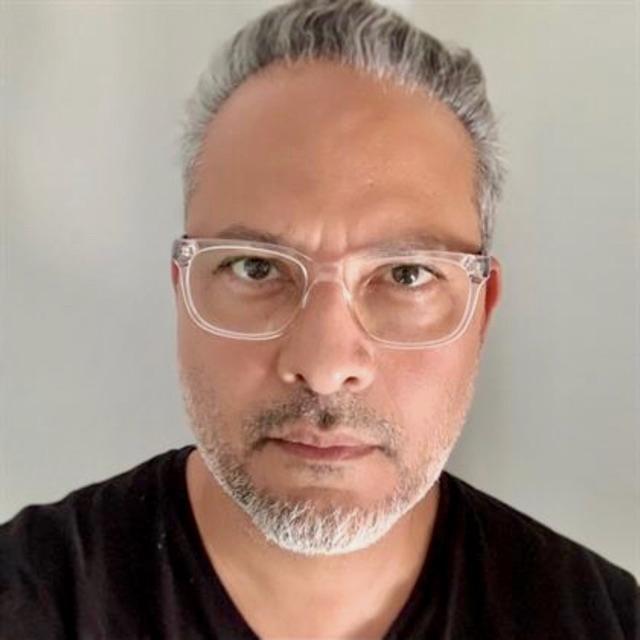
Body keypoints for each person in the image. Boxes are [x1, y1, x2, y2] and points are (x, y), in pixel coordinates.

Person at [1, 0, 638, 638]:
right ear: (182, 292)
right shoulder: (26, 602)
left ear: (481, 311)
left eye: (406, 275)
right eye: (256, 268)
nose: (326, 366)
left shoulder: (601, 620)